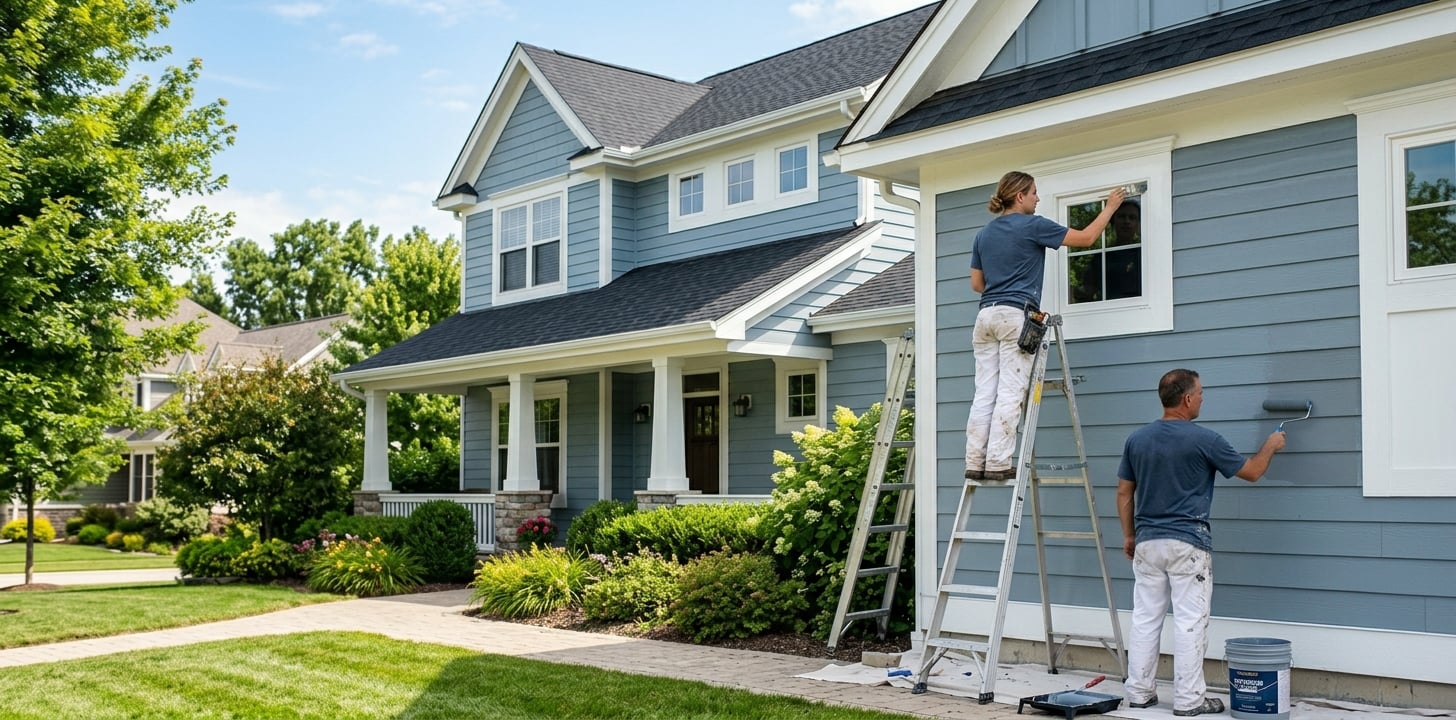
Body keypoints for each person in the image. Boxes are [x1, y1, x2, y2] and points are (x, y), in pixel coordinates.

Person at [1116, 369, 1287, 717]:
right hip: (1187, 543)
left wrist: (1129, 534)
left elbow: (1124, 492)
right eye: (1201, 393)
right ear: (1187, 399)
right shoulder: (1205, 440)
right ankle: (1189, 701)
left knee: (1146, 619)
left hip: (1147, 542)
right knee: (1190, 622)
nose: (1202, 399)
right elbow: (1252, 472)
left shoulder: (1137, 439)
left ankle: (1139, 693)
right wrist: (1271, 445)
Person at [964, 172, 1124, 481]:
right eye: (1034, 192)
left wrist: (1003, 282)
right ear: (1019, 196)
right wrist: (1110, 207)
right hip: (1015, 316)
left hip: (985, 317)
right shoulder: (1033, 225)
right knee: (1010, 392)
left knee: (984, 392)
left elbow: (977, 284)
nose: (1037, 198)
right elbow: (1086, 239)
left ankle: (975, 461)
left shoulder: (983, 234)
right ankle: (997, 463)